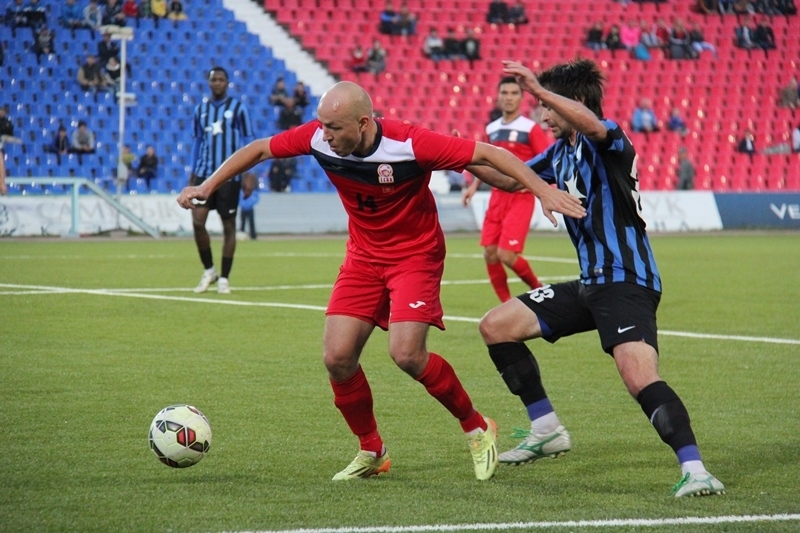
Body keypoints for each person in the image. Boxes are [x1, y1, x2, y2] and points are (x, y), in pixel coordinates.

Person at [176, 80, 586, 482]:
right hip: (363, 257)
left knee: (407, 354)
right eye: (322, 125)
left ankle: (477, 427)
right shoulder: (319, 137)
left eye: (334, 128)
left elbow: (488, 153)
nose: (324, 135)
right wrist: (208, 185)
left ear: (364, 123)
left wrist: (541, 191)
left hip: (415, 257)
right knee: (337, 357)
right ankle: (372, 451)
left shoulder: (409, 143)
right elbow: (261, 148)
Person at [470, 58, 725, 498]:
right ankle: (546, 429)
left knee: (638, 377)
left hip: (627, 280)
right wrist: (458, 158)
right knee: (496, 326)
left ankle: (696, 469)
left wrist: (541, 90)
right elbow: (510, 181)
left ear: (573, 101)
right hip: (590, 282)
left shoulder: (608, 140)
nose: (543, 116)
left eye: (548, 106)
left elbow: (592, 124)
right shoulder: (559, 153)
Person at [462, 76, 551, 303]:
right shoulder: (492, 129)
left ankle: (541, 290)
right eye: (505, 93)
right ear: (498, 97)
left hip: (520, 197)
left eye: (514, 93)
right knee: (490, 253)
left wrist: (545, 191)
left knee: (506, 254)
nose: (509, 97)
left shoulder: (530, 128)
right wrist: (473, 186)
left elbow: (548, 160)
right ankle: (506, 304)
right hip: (497, 196)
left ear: (521, 98)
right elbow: (485, 161)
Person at [188, 66, 254, 295]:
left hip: (230, 175)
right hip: (204, 173)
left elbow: (249, 141)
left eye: (221, 79)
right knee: (198, 222)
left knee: (228, 226)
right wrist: (192, 174)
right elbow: (197, 142)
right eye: (213, 79)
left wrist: (249, 174)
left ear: (227, 83)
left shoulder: (238, 109)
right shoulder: (200, 110)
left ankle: (224, 278)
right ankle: (209, 270)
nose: (217, 83)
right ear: (208, 83)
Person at [238, 172, 259, 240]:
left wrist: (249, 204)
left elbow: (256, 199)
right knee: (242, 223)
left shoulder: (253, 191)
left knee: (251, 223)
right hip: (243, 209)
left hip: (250, 209)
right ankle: (241, 234)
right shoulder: (241, 191)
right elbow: (239, 199)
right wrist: (243, 205)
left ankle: (253, 236)